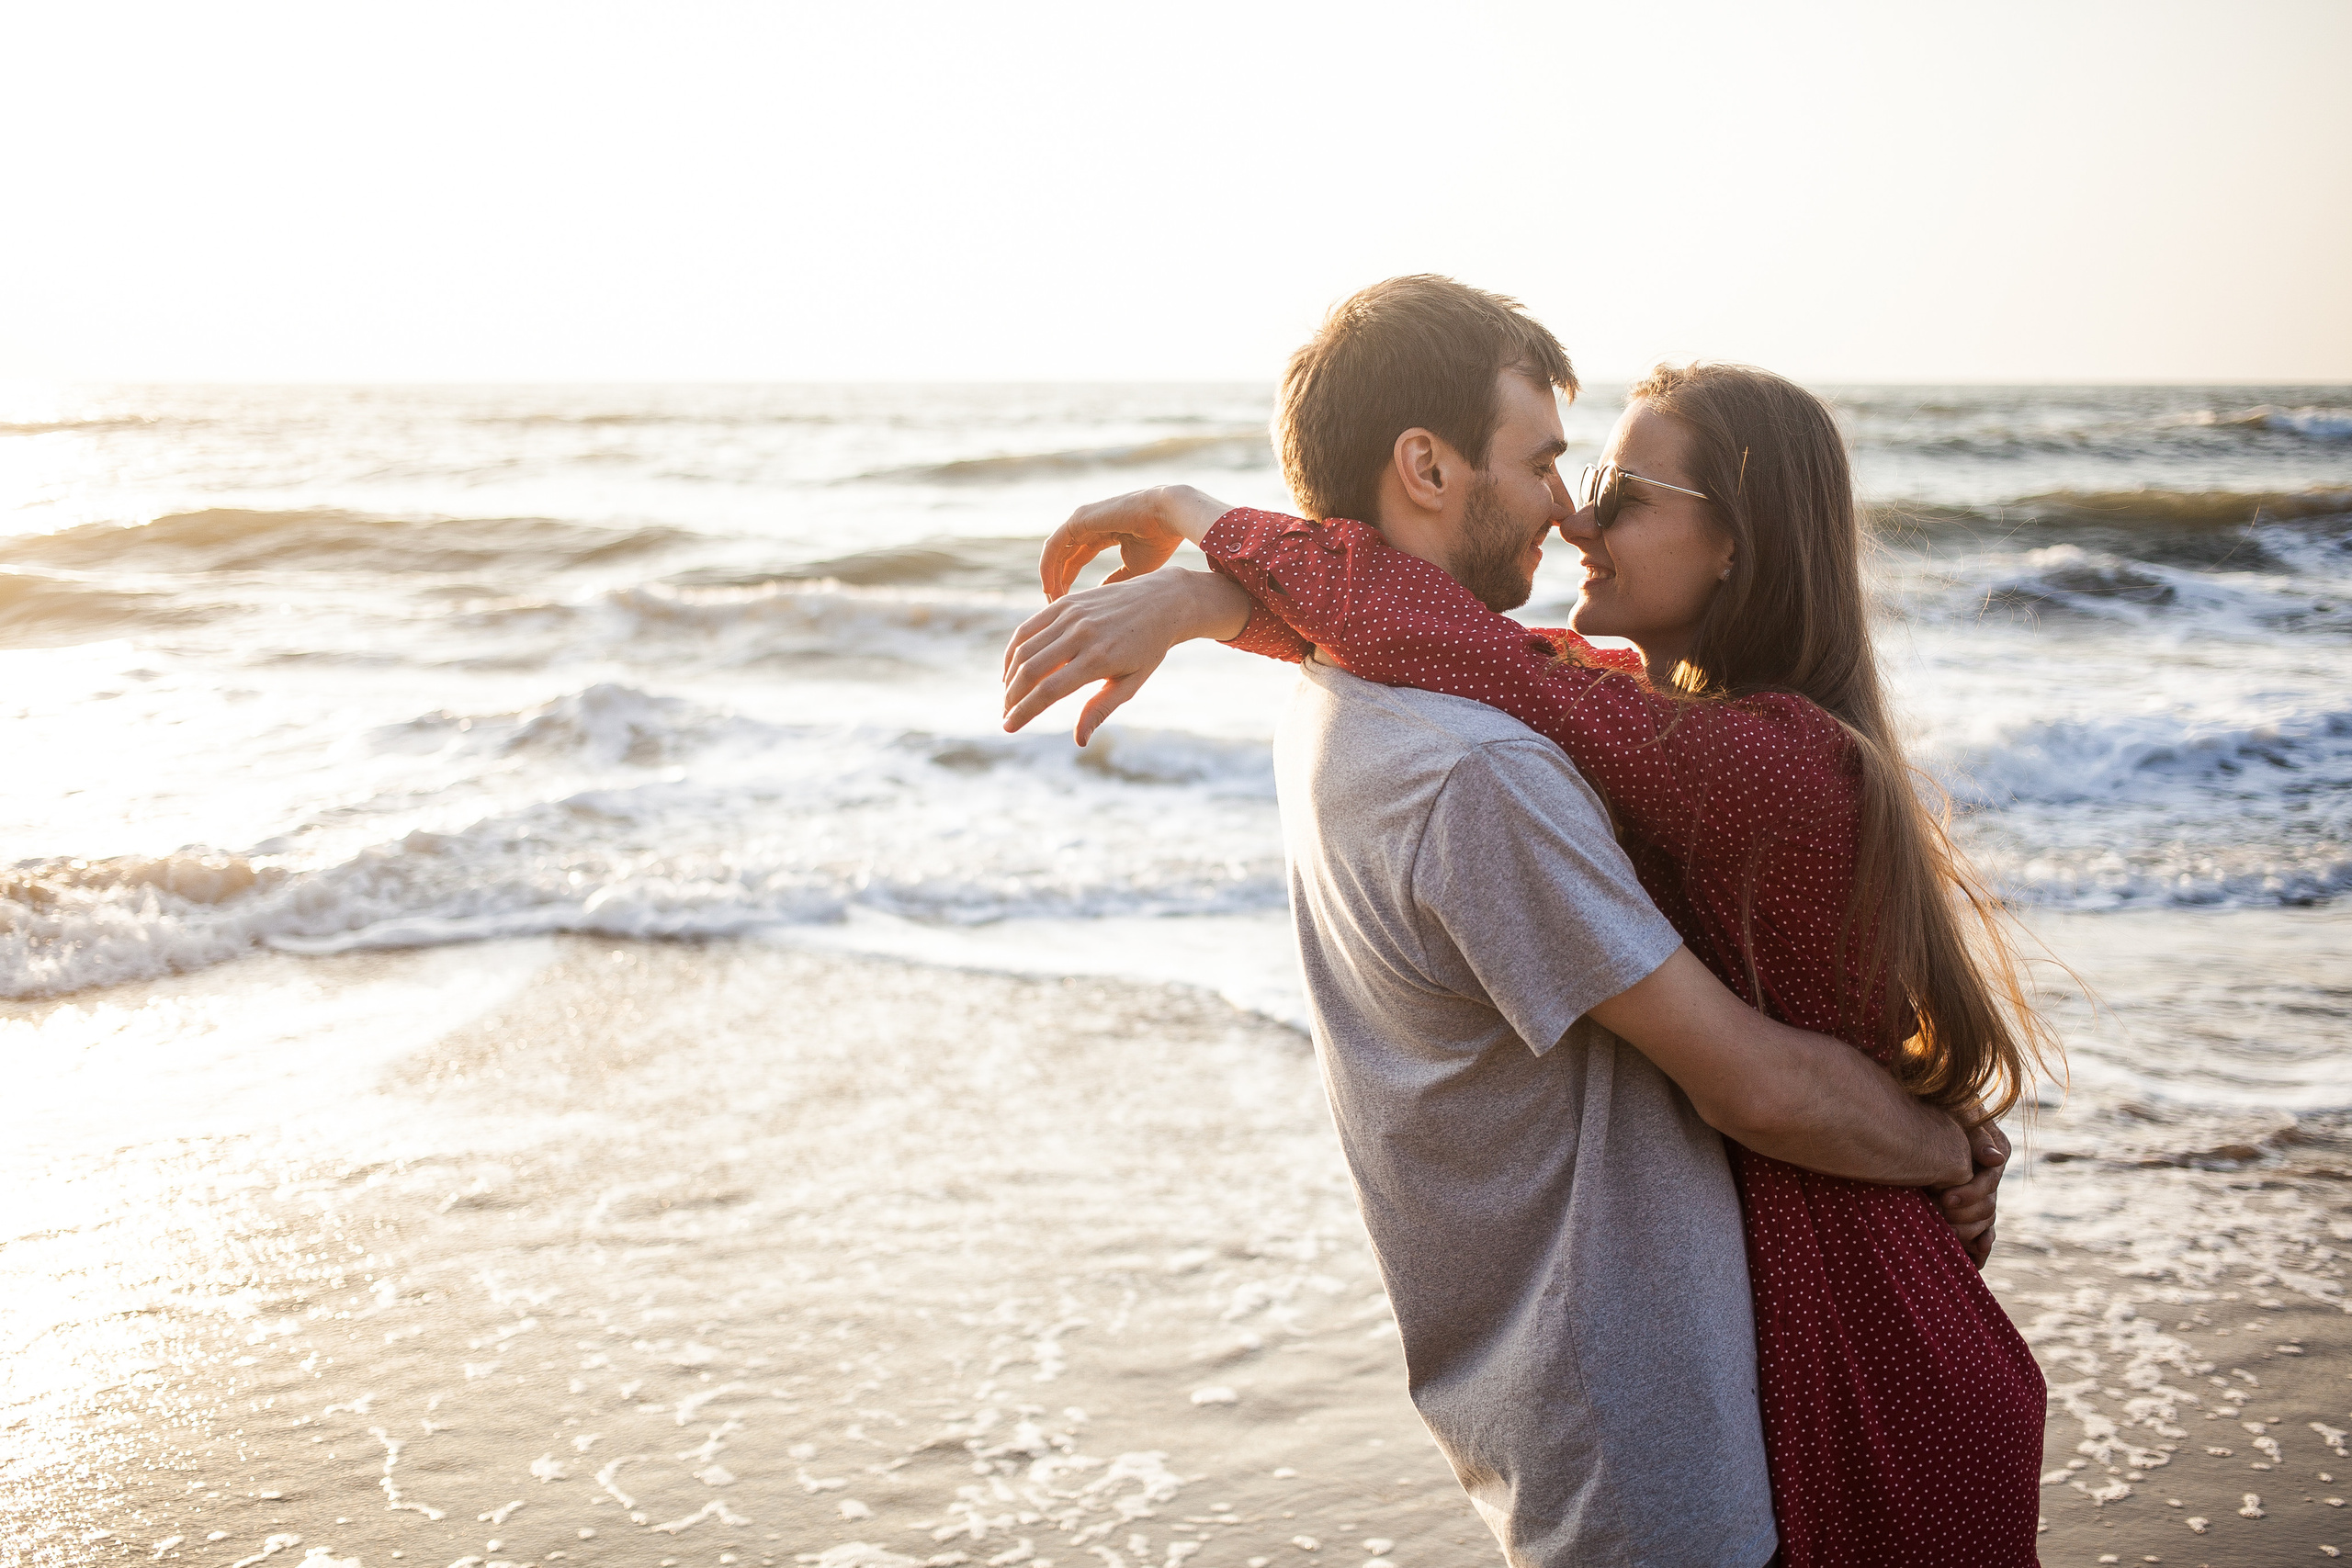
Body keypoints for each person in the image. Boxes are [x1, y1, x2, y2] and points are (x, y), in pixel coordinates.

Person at [1001, 277, 2016, 1568]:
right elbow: (1473, 657)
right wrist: (1212, 589)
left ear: (1737, 543)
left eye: (1619, 492)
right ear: (1427, 468)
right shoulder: (1484, 755)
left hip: (1853, 1347)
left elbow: (1479, 656)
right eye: (1555, 467)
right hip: (1731, 1385)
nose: (1573, 510)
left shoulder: (1705, 755)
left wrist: (1210, 560)